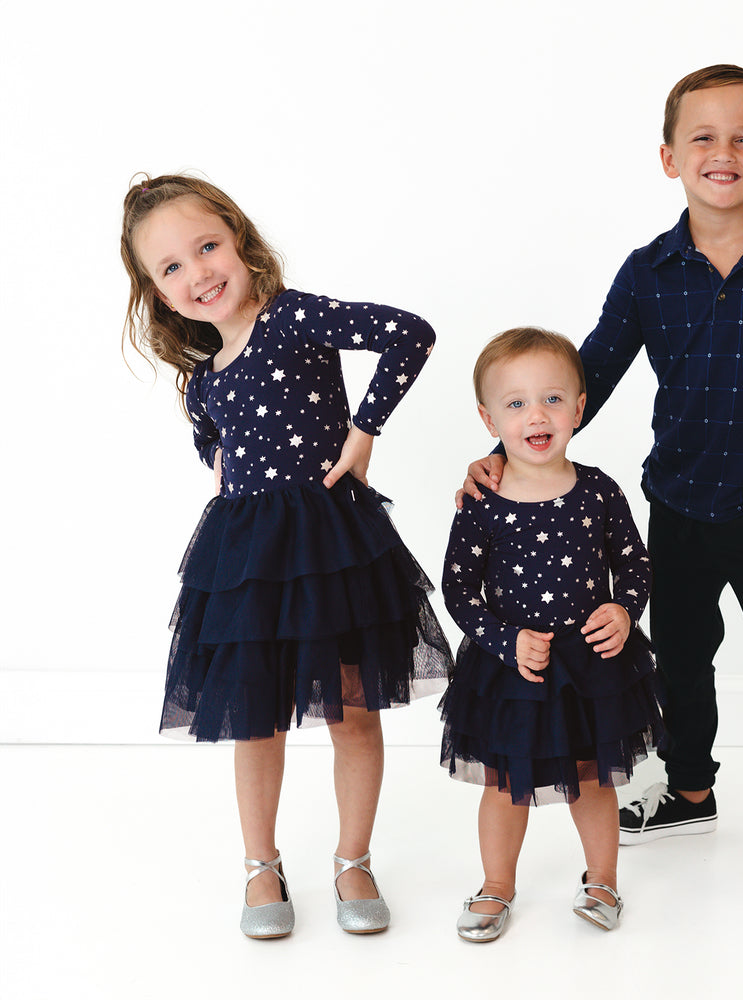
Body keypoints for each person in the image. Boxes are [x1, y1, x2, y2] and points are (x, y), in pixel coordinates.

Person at [460, 65, 743, 944]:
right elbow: (588, 375)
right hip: (675, 512)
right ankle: (689, 791)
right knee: (678, 662)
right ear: (669, 156)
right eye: (704, 139)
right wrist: (502, 456)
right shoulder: (649, 271)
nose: (724, 153)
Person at [121, 173, 453, 939]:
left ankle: (352, 859)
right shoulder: (202, 380)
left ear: (238, 238)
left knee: (355, 709)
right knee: (252, 719)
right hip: (245, 557)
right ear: (159, 293)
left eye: (207, 247)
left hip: (331, 543)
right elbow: (214, 441)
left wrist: (364, 430)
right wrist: (226, 476)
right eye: (171, 267)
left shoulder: (292, 316)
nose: (197, 272)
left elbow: (410, 333)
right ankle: (260, 866)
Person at [441, 327, 663, 942]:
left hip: (590, 667)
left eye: (552, 399)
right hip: (514, 668)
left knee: (591, 778)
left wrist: (624, 609)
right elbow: (457, 590)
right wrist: (504, 639)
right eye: (515, 404)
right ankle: (496, 885)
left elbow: (636, 563)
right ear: (488, 417)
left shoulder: (599, 490)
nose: (536, 415)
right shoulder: (481, 500)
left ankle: (602, 878)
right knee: (505, 785)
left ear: (579, 408)